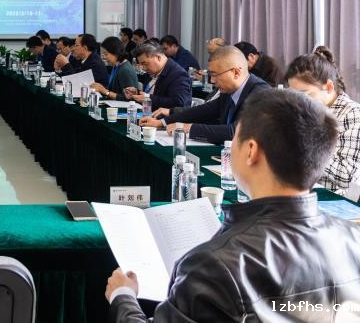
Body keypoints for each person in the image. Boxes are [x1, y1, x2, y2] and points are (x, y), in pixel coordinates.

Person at [105, 89, 360, 322]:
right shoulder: (354, 238)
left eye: (235, 136)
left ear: (251, 151)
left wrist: (123, 297)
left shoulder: (214, 265)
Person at [142, 46, 270, 144]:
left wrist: (188, 128)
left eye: (215, 75)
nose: (212, 81)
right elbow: (203, 111)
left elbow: (236, 132)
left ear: (236, 73)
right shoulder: (229, 91)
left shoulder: (261, 93)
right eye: (210, 75)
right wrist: (162, 122)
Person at [285, 46, 360, 196]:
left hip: (332, 200)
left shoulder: (352, 115)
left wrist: (306, 147)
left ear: (329, 87)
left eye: (304, 95)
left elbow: (347, 176)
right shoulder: (309, 111)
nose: (298, 103)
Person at [124, 43, 191, 111]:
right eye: (141, 65)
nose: (144, 68)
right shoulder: (152, 71)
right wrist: (137, 93)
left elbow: (180, 103)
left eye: (145, 64)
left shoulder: (178, 74)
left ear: (158, 57)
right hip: (147, 113)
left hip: (165, 117)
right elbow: (154, 94)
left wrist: (148, 98)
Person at [91, 37, 139, 101]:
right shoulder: (116, 66)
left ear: (116, 53)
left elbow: (130, 98)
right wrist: (100, 88)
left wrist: (105, 91)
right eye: (102, 54)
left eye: (106, 54)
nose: (103, 57)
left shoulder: (125, 70)